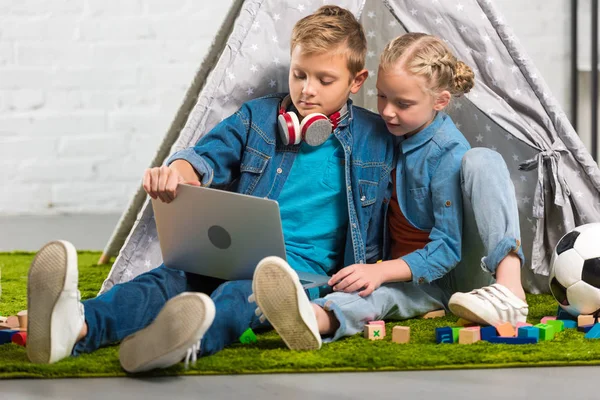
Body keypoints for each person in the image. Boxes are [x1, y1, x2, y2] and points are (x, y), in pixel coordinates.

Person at [25, 6, 394, 371]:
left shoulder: (375, 138)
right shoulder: (259, 118)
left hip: (300, 276)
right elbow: (204, 158)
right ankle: (75, 326)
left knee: (238, 296)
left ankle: (179, 344)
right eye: (299, 75)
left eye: (324, 80)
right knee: (166, 279)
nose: (307, 90)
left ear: (356, 81)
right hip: (237, 254)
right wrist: (177, 172)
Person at [252, 33, 528, 349]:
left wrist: (380, 272)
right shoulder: (388, 132)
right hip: (405, 274)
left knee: (483, 158)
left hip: (451, 274)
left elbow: (447, 250)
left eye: (403, 103)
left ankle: (509, 290)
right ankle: (313, 318)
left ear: (440, 101)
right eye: (382, 96)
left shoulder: (446, 152)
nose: (388, 112)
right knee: (375, 296)